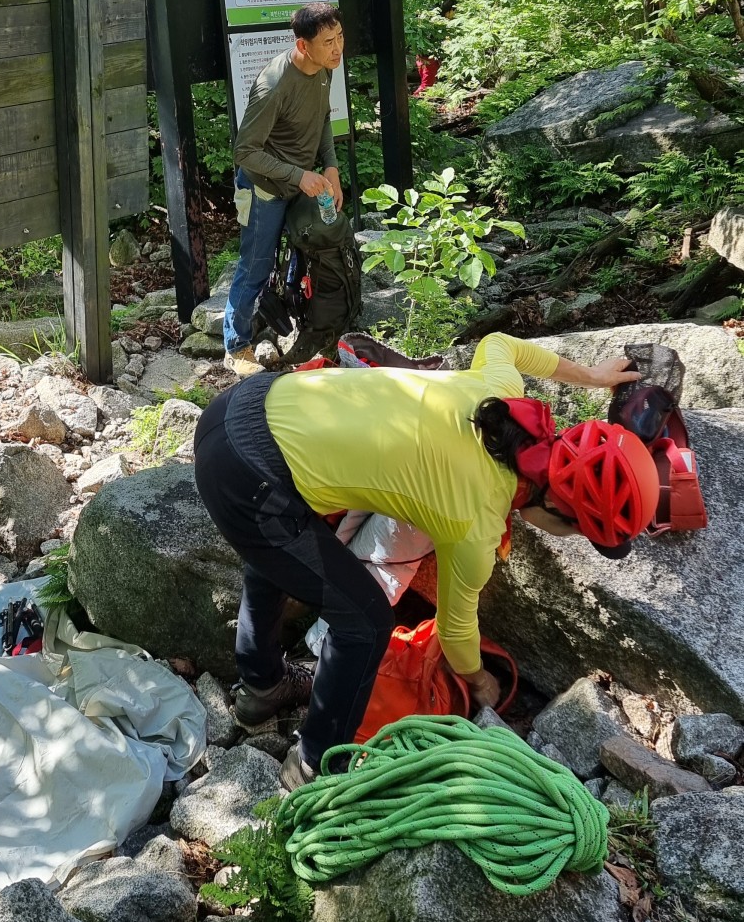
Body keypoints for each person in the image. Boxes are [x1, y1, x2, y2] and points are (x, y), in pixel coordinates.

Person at [193, 332, 655, 790]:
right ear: (559, 509)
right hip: (246, 475)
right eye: (577, 529)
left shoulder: (502, 394)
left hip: (244, 405)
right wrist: (478, 682)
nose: (568, 535)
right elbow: (456, 631)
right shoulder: (476, 523)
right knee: (365, 621)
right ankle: (314, 766)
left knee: (273, 554)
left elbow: (499, 343)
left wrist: (591, 377)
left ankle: (262, 688)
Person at [223, 3, 344, 377]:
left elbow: (323, 117)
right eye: (328, 42)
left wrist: (331, 166)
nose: (338, 48)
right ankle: (236, 345)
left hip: (301, 181)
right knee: (256, 266)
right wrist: (298, 175)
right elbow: (244, 151)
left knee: (305, 255)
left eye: (340, 37)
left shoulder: (324, 69)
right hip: (265, 189)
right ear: (303, 46)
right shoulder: (275, 83)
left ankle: (291, 326)